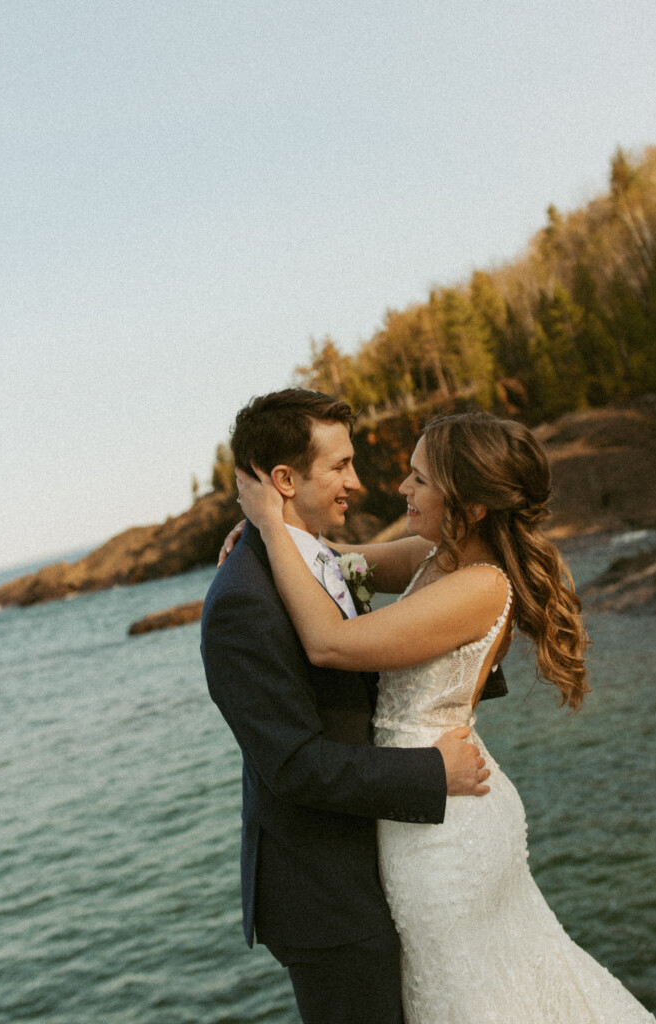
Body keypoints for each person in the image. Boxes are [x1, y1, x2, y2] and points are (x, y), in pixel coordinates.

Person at [236, 408, 656, 1024]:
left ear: (471, 502)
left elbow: (330, 643)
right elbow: (331, 562)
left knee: (476, 993)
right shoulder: (434, 556)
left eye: (420, 479)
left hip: (445, 823)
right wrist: (256, 540)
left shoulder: (481, 586)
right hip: (425, 800)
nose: (401, 488)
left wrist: (269, 527)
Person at [200, 389, 508, 1024]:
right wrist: (430, 772)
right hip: (328, 899)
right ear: (284, 479)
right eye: (340, 466)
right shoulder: (243, 602)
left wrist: (271, 527)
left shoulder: (319, 559)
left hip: (392, 863)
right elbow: (293, 766)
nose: (359, 483)